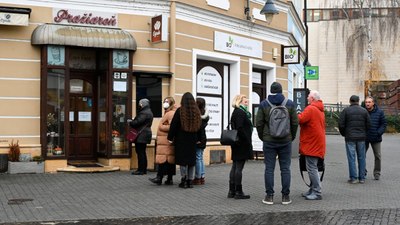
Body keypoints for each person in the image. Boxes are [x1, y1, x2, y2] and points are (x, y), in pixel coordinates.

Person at [256, 82, 298, 205]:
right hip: (286, 141)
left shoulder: (264, 104)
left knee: (269, 169)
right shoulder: (289, 103)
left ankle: (269, 196)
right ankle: (286, 197)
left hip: (269, 141)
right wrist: (291, 136)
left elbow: (259, 123)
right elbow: (295, 123)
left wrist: (263, 137)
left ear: (270, 91)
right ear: (281, 91)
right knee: (285, 169)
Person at [168, 92, 202, 188]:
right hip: (192, 139)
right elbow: (199, 126)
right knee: (191, 161)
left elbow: (174, 125)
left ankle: (184, 179)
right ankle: (190, 181)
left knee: (183, 160)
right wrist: (199, 138)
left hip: (181, 139)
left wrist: (170, 137)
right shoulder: (196, 111)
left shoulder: (180, 111)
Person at [298, 90, 326, 200]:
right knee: (312, 167)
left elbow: (300, 119)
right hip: (317, 142)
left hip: (311, 143)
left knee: (312, 168)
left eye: (308, 96)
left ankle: (317, 192)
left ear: (313, 99)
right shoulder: (319, 109)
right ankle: (312, 189)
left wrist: (293, 114)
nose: (307, 98)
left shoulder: (311, 109)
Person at [227, 94, 254, 200]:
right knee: (238, 167)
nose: (247, 101)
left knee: (235, 166)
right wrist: (246, 140)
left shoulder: (238, 112)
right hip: (241, 143)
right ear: (239, 101)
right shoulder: (240, 113)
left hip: (237, 143)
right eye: (245, 100)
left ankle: (232, 191)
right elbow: (240, 128)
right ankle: (238, 191)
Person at [339, 95, 370, 184]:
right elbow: (369, 124)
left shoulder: (346, 111)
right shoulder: (364, 111)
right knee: (362, 158)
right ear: (358, 101)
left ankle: (353, 178)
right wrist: (364, 133)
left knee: (351, 158)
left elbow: (341, 124)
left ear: (350, 101)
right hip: (361, 138)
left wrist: (344, 134)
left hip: (350, 138)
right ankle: (362, 178)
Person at [149, 97, 177, 185]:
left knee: (164, 160)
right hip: (164, 141)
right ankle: (169, 179)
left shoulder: (171, 113)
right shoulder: (167, 112)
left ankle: (159, 178)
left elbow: (172, 127)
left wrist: (161, 126)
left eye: (167, 102)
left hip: (166, 141)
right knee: (167, 160)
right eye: (164, 101)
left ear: (171, 103)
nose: (165, 103)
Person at [128, 98, 154, 175]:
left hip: (141, 135)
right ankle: (143, 169)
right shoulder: (149, 111)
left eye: (140, 103)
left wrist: (131, 122)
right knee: (142, 152)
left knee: (140, 152)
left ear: (142, 104)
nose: (139, 105)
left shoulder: (144, 113)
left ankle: (141, 170)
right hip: (145, 134)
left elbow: (137, 122)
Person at [364, 96, 387, 180]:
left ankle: (377, 173)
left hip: (376, 138)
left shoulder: (380, 112)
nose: (367, 104)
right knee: (362, 156)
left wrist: (378, 132)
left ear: (373, 103)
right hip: (364, 138)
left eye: (369, 102)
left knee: (377, 156)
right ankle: (363, 172)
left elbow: (383, 124)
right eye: (366, 102)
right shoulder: (362, 111)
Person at [193, 97, 209, 185]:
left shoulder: (197, 116)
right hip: (203, 138)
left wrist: (197, 139)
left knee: (198, 158)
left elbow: (198, 129)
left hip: (199, 138)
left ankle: (198, 177)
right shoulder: (205, 115)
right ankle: (202, 176)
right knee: (200, 158)